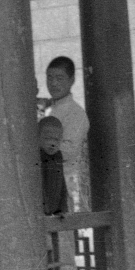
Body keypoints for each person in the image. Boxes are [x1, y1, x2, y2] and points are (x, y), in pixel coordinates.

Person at [44, 56, 90, 212]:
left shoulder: (76, 113)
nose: (54, 83)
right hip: (42, 187)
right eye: (50, 78)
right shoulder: (47, 110)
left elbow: (69, 150)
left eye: (59, 78)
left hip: (62, 188)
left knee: (63, 234)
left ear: (72, 80)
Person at [38, 116, 69, 216]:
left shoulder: (58, 156)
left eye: (56, 139)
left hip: (54, 212)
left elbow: (62, 184)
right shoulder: (36, 156)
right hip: (39, 211)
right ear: (37, 137)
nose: (52, 143)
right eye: (47, 138)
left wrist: (62, 209)